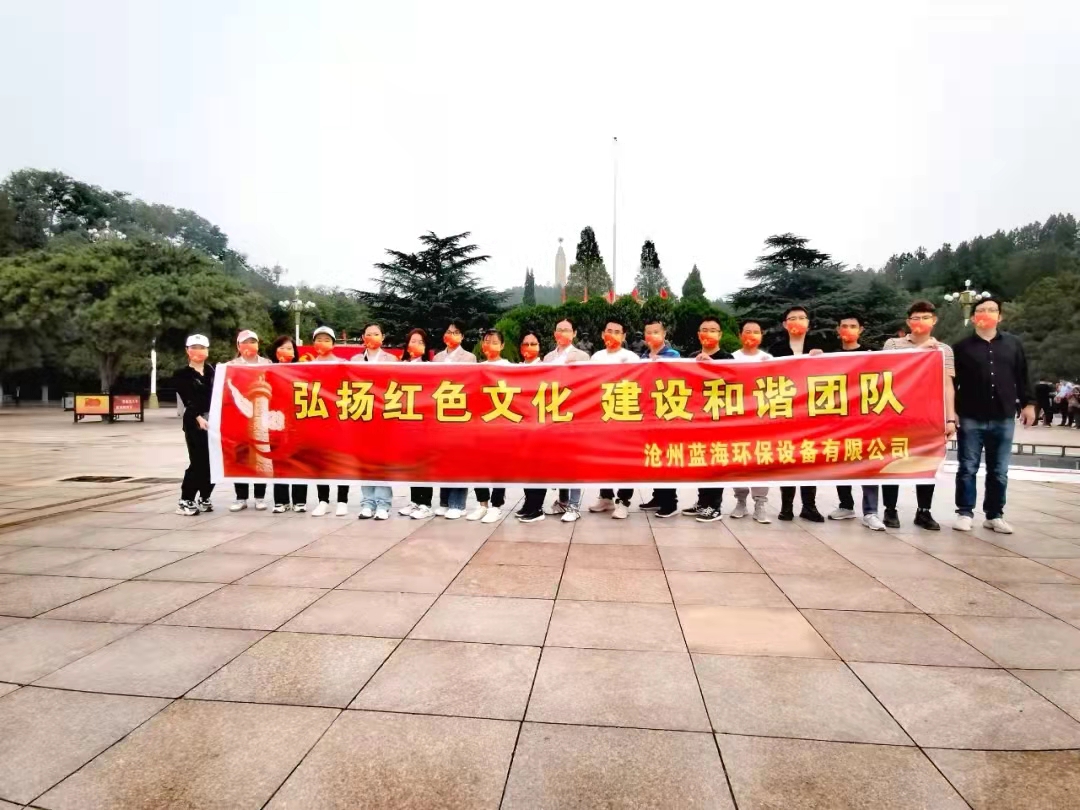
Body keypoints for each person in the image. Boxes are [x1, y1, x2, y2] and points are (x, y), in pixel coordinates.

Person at [953, 297, 1035, 534]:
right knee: (967, 467)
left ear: (1000, 316)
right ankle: (965, 512)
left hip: (1003, 415)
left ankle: (994, 514)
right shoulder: (961, 347)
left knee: (999, 470)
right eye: (981, 310)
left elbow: (1022, 375)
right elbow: (952, 383)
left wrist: (1029, 403)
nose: (986, 314)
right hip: (970, 415)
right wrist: (952, 412)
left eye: (991, 310)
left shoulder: (1013, 344)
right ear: (973, 317)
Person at [881, 300, 957, 531]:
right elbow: (889, 372)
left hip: (928, 415)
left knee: (927, 462)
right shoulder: (893, 344)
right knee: (893, 461)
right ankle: (890, 510)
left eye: (925, 317)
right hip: (897, 413)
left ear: (934, 321)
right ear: (908, 321)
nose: (920, 322)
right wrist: (919, 352)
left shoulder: (943, 350)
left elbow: (947, 385)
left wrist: (950, 418)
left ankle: (923, 511)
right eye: (916, 318)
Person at [825, 315, 885, 531]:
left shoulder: (872, 354)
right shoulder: (830, 356)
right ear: (837, 329)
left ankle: (870, 511)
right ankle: (846, 505)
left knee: (868, 465)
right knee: (842, 463)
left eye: (853, 326)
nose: (848, 329)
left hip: (867, 420)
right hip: (839, 419)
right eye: (844, 326)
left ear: (861, 330)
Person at [768, 306, 826, 523]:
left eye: (802, 318)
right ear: (785, 324)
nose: (797, 321)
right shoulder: (776, 349)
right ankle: (786, 507)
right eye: (792, 318)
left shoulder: (819, 347)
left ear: (808, 323)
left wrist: (823, 360)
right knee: (789, 458)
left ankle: (809, 506)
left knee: (809, 458)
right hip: (786, 411)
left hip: (811, 412)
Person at [683, 317, 734, 523]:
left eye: (713, 330)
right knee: (701, 462)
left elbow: (735, 382)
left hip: (719, 420)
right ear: (698, 335)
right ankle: (703, 502)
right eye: (704, 330)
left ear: (720, 335)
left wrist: (713, 366)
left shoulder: (728, 358)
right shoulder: (692, 358)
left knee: (716, 463)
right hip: (699, 419)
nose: (708, 334)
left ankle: (715, 506)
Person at [588, 319, 640, 519]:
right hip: (602, 414)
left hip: (625, 414)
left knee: (625, 459)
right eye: (609, 331)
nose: (612, 335)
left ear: (624, 336)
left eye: (617, 332)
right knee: (604, 457)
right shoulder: (596, 357)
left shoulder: (631, 357)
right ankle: (606, 497)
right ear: (603, 334)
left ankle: (624, 501)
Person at [542, 318, 590, 520]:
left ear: (574, 333)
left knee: (574, 460)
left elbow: (588, 384)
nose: (562, 333)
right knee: (559, 459)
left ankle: (574, 505)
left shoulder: (582, 356)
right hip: (553, 414)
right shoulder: (548, 357)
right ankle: (562, 501)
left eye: (566, 330)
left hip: (574, 414)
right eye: (559, 329)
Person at [728, 320, 773, 524]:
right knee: (738, 460)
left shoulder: (768, 359)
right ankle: (740, 501)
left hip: (761, 420)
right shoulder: (731, 358)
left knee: (760, 461)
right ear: (740, 335)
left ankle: (760, 503)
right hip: (737, 420)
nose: (751, 335)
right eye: (747, 331)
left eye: (756, 332)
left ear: (761, 335)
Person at [466, 329, 513, 524]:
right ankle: (482, 504)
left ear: (502, 346)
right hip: (479, 423)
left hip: (500, 423)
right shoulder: (477, 368)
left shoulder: (509, 367)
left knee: (498, 466)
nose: (490, 345)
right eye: (486, 341)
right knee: (478, 464)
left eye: (494, 342)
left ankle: (496, 506)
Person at [638, 318, 681, 519]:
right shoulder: (642, 357)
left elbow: (678, 378)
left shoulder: (673, 355)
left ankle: (670, 502)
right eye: (648, 332)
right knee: (654, 456)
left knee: (666, 459)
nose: (652, 335)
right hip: (648, 414)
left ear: (664, 334)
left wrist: (660, 365)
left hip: (667, 415)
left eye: (656, 332)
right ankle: (657, 496)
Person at [354, 323, 397, 520]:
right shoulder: (355, 360)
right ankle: (367, 503)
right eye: (368, 334)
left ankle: (383, 504)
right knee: (365, 462)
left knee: (382, 461)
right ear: (363, 338)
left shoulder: (392, 360)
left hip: (384, 417)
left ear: (383, 337)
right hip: (362, 415)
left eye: (376, 334)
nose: (372, 337)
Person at [433, 319, 474, 519]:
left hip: (459, 413)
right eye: (449, 331)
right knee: (444, 458)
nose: (452, 335)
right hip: (440, 414)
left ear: (462, 336)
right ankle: (444, 501)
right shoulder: (437, 358)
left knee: (459, 458)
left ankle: (458, 504)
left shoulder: (469, 358)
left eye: (456, 332)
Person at [228, 329, 272, 512]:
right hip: (237, 417)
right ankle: (241, 497)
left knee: (260, 453)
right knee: (241, 456)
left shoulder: (267, 364)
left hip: (261, 417)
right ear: (238, 346)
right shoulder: (230, 366)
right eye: (245, 342)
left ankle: (260, 497)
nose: (249, 345)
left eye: (253, 342)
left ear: (258, 344)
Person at [309, 326, 350, 517]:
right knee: (321, 462)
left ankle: (342, 501)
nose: (322, 343)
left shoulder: (343, 364)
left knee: (341, 460)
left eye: (326, 340)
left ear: (333, 344)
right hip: (318, 418)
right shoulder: (308, 366)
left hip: (340, 418)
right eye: (319, 339)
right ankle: (323, 500)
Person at [174, 334, 215, 516]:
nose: (198, 351)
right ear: (187, 351)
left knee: (214, 462)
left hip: (214, 421)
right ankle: (186, 499)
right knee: (198, 461)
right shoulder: (181, 374)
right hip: (194, 422)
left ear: (207, 350)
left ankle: (205, 496)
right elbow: (187, 399)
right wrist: (199, 417)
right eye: (194, 347)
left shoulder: (213, 371)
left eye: (202, 347)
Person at [518, 329, 555, 523]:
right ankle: (528, 503)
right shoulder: (514, 370)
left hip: (540, 427)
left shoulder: (546, 369)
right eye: (526, 344)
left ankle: (537, 507)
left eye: (533, 344)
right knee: (524, 467)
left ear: (540, 347)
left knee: (537, 468)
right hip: (521, 427)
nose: (529, 347)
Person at [268, 335, 309, 513]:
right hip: (276, 421)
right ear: (275, 351)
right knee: (279, 460)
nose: (286, 351)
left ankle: (299, 500)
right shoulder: (267, 370)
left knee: (299, 461)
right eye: (282, 348)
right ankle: (281, 500)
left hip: (298, 421)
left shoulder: (302, 371)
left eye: (290, 348)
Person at [398, 329, 435, 520]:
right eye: (413, 341)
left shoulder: (430, 367)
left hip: (424, 422)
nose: (416, 345)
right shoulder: (400, 367)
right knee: (412, 464)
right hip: (406, 422)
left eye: (421, 342)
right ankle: (415, 501)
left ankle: (425, 504)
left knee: (423, 464)